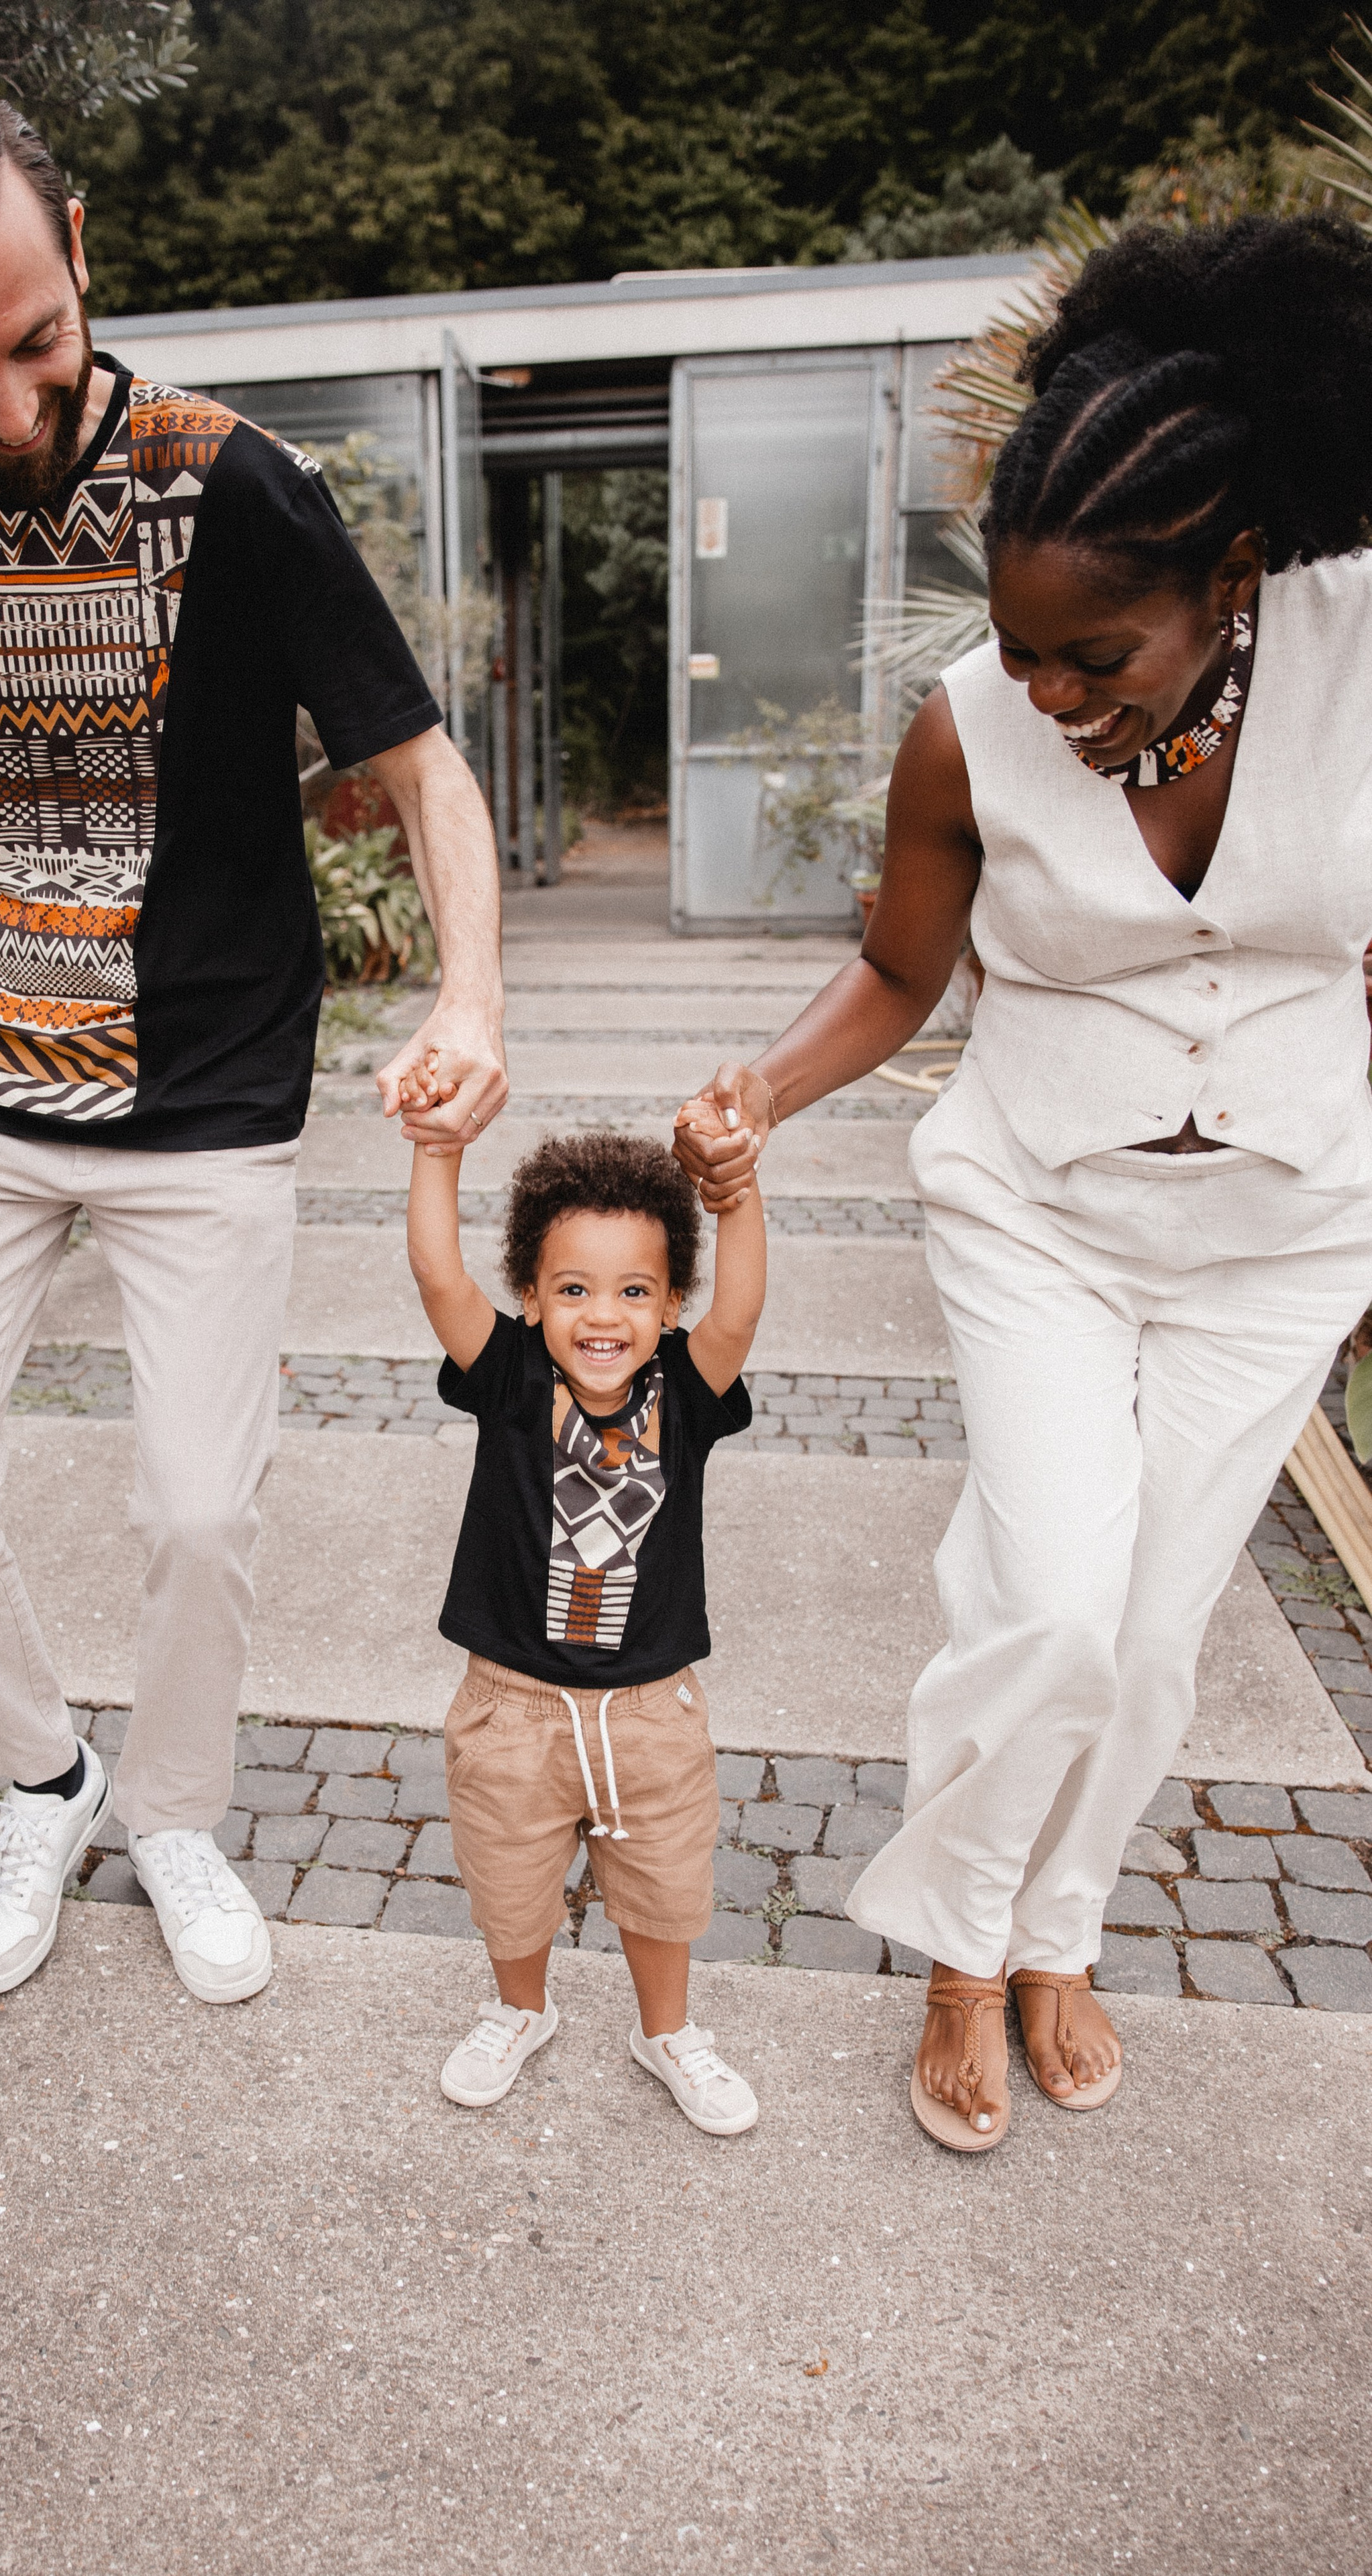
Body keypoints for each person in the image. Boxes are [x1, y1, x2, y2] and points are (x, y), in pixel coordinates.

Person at [0, 70, 505, 2004]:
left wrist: (474, 992)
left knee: (200, 1509)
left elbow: (423, 772)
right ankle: (45, 1776)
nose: (5, 409)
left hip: (212, 1107)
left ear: (80, 251)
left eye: (37, 344)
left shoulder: (237, 484)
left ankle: (174, 1811)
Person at [672, 215, 1372, 2151]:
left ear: (1232, 578)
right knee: (1053, 1603)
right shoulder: (970, 728)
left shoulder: (1361, 653)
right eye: (1019, 647)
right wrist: (762, 1094)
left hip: (1289, 1231)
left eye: (1098, 656)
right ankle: (961, 1946)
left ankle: (1059, 1932)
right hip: (1042, 1213)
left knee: (1153, 1642)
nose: (1054, 696)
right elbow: (905, 972)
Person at [405, 1108, 766, 2134]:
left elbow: (741, 1308)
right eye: (572, 1289)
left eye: (633, 1291)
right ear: (530, 1296)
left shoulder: (688, 1390)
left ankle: (669, 2034)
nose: (601, 1315)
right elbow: (438, 1276)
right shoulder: (511, 1378)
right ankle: (521, 2009)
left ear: (669, 1303)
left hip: (651, 1712)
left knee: (664, 1890)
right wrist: (438, 1150)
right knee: (510, 1882)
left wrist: (735, 1192)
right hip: (511, 1710)